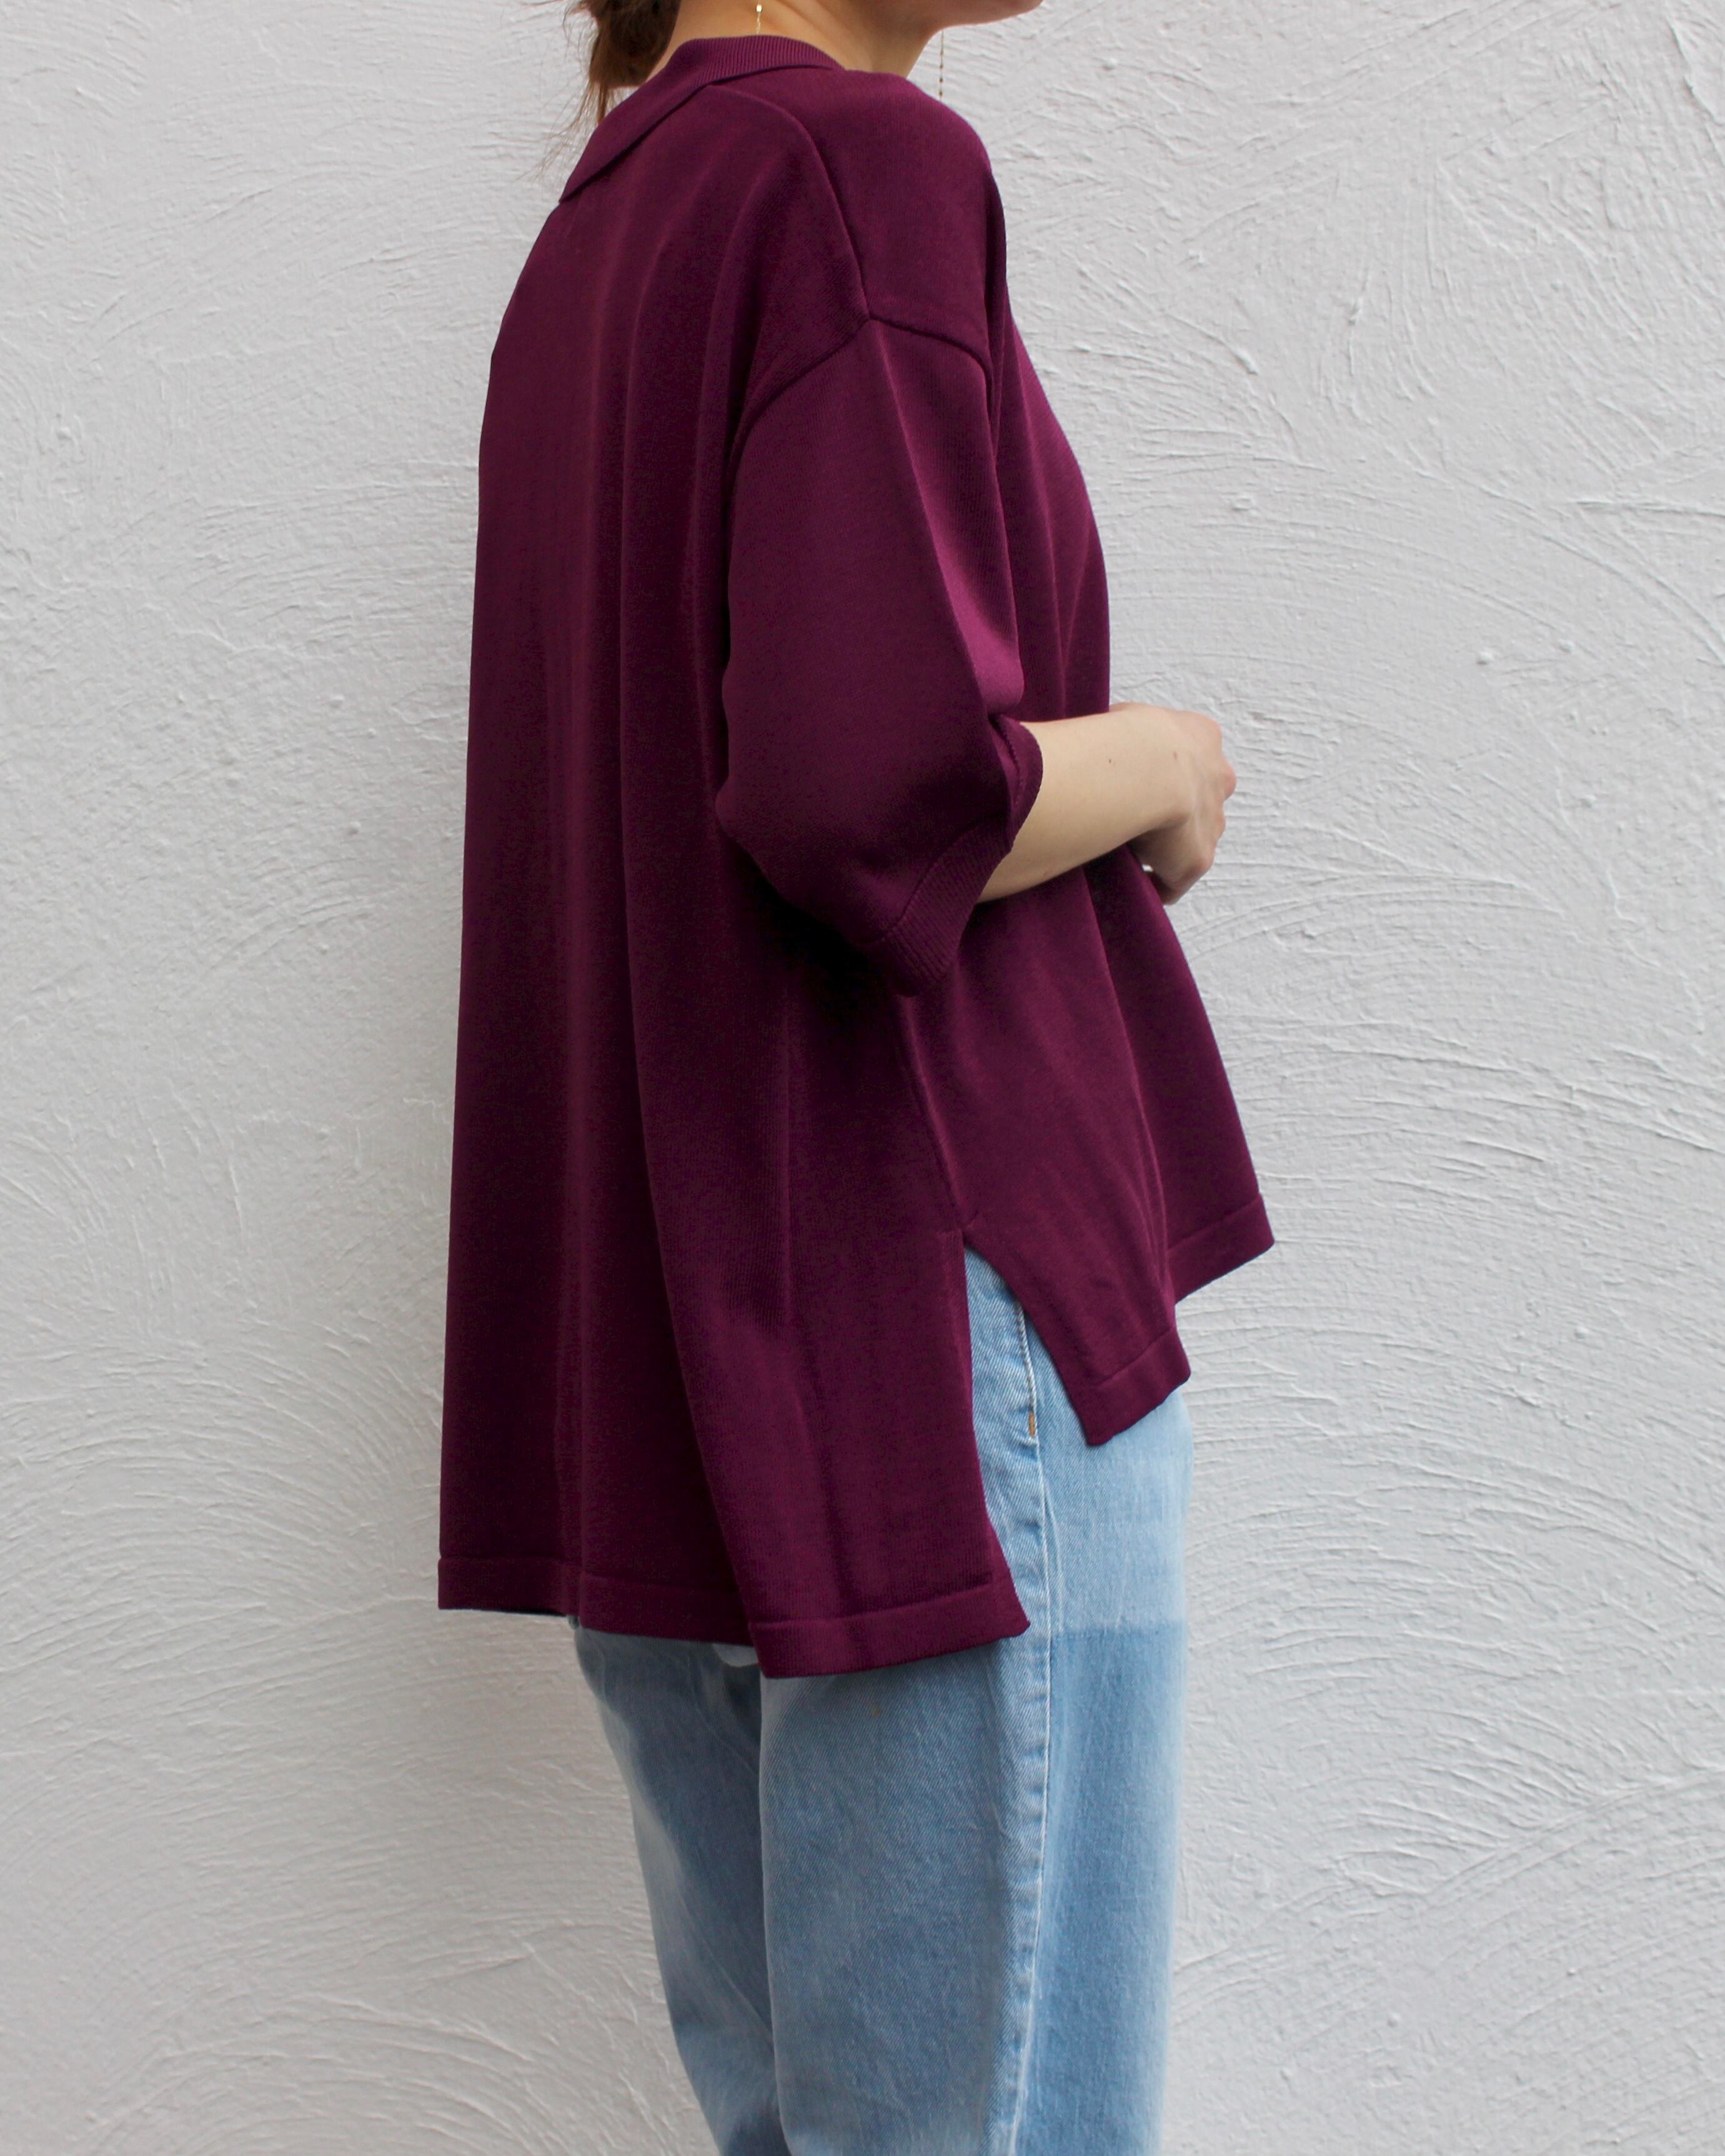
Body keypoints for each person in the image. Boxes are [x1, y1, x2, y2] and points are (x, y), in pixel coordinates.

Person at [439, 0, 1276, 2145]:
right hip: (931, 1340)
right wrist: (1161, 760)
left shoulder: (605, 226)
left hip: (705, 1368)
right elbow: (862, 788)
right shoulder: (854, 167)